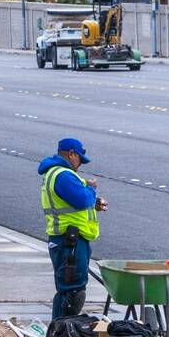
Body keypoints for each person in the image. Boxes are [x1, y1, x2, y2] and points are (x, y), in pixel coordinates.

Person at [37, 137, 107, 319]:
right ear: (71, 154)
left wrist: (94, 204)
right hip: (70, 242)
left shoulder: (57, 173)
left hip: (68, 240)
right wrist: (91, 189)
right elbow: (82, 199)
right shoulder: (63, 175)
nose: (80, 164)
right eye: (80, 159)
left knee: (67, 291)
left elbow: (74, 204)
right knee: (72, 293)